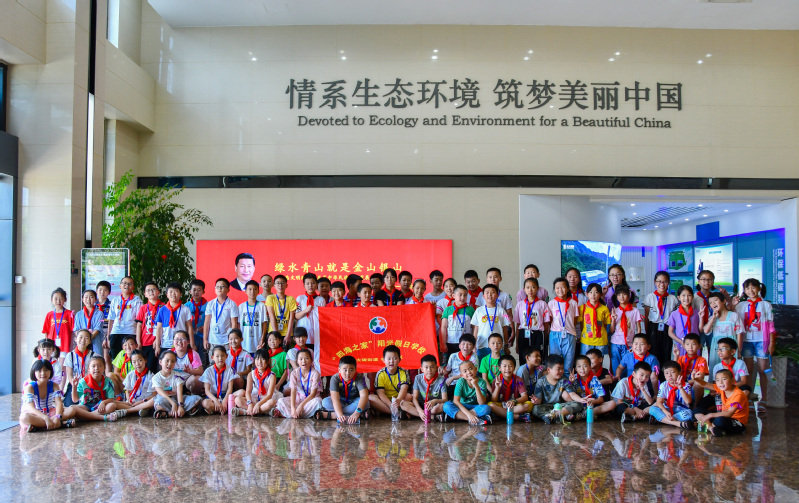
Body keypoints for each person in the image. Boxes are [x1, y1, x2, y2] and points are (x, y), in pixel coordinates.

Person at [735, 278, 775, 411]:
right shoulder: (741, 305)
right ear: (744, 290)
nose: (750, 291)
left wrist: (771, 343)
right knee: (748, 370)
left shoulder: (765, 305)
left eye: (753, 287)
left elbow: (770, 325)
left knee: (763, 370)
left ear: (759, 288)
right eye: (747, 288)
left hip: (762, 341)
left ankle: (764, 398)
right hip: (746, 341)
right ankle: (749, 396)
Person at [20, 360, 75, 432]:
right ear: (34, 372)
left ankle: (38, 426)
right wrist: (46, 418)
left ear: (50, 371)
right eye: (39, 371)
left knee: (71, 410)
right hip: (35, 413)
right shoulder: (30, 387)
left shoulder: (54, 385)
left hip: (50, 411)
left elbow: (59, 403)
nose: (43, 373)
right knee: (24, 417)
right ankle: (60, 424)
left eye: (46, 370)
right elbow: (31, 408)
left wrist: (57, 417)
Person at [692, 369, 750, 436]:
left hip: (737, 422)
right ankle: (711, 428)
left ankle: (708, 425)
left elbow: (729, 413)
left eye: (724, 379)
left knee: (720, 421)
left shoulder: (738, 394)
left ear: (733, 381)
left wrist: (709, 415)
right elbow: (705, 384)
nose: (721, 382)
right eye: (718, 380)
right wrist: (695, 379)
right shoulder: (721, 389)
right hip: (723, 416)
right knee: (697, 410)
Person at [70, 356, 127, 422]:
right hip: (86, 406)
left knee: (112, 406)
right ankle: (98, 416)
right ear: (89, 369)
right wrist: (74, 387)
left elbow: (111, 399)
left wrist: (103, 402)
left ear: (104, 368)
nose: (96, 368)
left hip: (100, 406)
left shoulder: (108, 381)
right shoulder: (83, 382)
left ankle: (86, 416)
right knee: (72, 408)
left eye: (100, 366)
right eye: (93, 366)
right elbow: (75, 400)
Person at [531, 355, 583, 424]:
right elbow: (539, 401)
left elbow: (572, 394)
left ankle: (555, 415)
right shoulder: (541, 382)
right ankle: (560, 415)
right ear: (549, 370)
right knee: (535, 409)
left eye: (562, 368)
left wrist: (581, 400)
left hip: (561, 406)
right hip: (547, 406)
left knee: (578, 404)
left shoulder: (564, 380)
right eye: (558, 369)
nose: (561, 371)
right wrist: (536, 401)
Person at [642, 271, 679, 369]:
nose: (662, 284)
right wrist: (647, 332)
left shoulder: (673, 299)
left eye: (665, 282)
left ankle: (664, 375)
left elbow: (675, 317)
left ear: (668, 283)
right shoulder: (650, 297)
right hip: (653, 328)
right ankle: (654, 374)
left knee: (666, 353)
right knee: (653, 352)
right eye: (659, 281)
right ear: (655, 282)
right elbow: (646, 317)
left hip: (667, 328)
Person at [152, 350, 203, 418]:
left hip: (178, 398)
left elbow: (179, 391)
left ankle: (169, 413)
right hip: (166, 399)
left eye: (173, 361)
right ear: (160, 362)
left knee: (197, 399)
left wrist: (180, 405)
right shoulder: (156, 377)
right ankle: (181, 413)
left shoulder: (177, 375)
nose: (170, 364)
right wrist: (173, 403)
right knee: (158, 402)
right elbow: (161, 393)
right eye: (167, 361)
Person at [274, 348, 323, 418]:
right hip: (298, 399)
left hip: (310, 401)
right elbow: (293, 391)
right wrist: (293, 408)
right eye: (300, 359)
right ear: (297, 361)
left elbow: (313, 394)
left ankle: (290, 414)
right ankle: (297, 413)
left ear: (311, 360)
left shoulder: (315, 373)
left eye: (306, 358)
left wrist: (300, 406)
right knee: (281, 400)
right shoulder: (294, 373)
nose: (303, 361)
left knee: (318, 402)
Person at [320, 355, 369, 423]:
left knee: (366, 403)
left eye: (351, 370)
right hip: (341, 401)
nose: (348, 373)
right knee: (325, 402)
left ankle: (332, 415)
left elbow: (364, 395)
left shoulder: (360, 377)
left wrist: (357, 413)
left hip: (354, 401)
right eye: (345, 370)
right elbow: (335, 399)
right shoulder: (335, 378)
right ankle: (352, 415)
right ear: (339, 370)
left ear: (355, 369)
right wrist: (340, 415)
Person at [232, 348, 280, 417]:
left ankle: (245, 412)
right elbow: (248, 392)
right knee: (237, 400)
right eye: (257, 359)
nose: (259, 362)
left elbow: (269, 395)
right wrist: (250, 403)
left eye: (263, 359)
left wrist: (258, 404)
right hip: (254, 398)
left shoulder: (272, 376)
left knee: (271, 402)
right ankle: (265, 412)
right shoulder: (251, 374)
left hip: (266, 399)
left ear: (268, 361)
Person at [441, 360, 492, 425]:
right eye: (465, 371)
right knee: (446, 406)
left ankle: (458, 417)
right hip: (461, 406)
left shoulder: (482, 382)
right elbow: (456, 401)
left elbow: (481, 403)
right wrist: (469, 415)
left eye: (470, 369)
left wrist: (476, 385)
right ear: (462, 375)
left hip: (474, 407)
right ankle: (475, 420)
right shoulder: (460, 381)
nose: (469, 372)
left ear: (476, 369)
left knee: (486, 408)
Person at [704, 291, 743, 373]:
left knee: (732, 370)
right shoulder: (712, 318)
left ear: (724, 301)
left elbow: (739, 333)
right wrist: (713, 318)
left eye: (715, 300)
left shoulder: (734, 315)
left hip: (730, 347)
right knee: (717, 370)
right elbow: (706, 331)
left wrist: (738, 351)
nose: (713, 303)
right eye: (710, 302)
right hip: (717, 348)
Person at [401, 354, 448, 421]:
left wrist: (435, 401)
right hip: (421, 404)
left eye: (432, 367)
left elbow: (445, 399)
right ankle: (432, 417)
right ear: (422, 369)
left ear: (436, 368)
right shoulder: (418, 378)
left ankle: (415, 414)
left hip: (434, 406)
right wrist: (420, 411)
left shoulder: (441, 380)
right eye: (426, 367)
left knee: (443, 406)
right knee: (403, 404)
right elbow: (415, 398)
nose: (429, 370)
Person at [471, 284, 511, 360]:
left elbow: (505, 329)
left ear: (497, 295)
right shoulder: (478, 311)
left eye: (493, 292)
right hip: (482, 345)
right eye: (487, 292)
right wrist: (474, 345)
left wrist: (505, 345)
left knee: (498, 365)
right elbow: (476, 329)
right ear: (483, 296)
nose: (490, 295)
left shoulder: (502, 311)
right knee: (482, 366)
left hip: (498, 346)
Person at [107, 277, 142, 365]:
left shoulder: (137, 300)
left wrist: (138, 339)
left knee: (131, 358)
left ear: (133, 287)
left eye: (130, 284)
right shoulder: (115, 300)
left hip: (130, 332)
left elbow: (139, 321)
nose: (127, 285)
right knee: (116, 359)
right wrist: (108, 336)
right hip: (116, 332)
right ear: (120, 286)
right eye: (125, 283)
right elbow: (111, 319)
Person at [369, 345, 411, 416]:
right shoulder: (380, 374)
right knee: (370, 398)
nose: (391, 361)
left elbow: (404, 389)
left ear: (399, 360)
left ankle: (386, 411)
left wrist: (398, 400)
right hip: (385, 401)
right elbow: (380, 393)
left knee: (409, 396)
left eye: (395, 358)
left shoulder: (403, 372)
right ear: (383, 360)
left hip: (399, 399)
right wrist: (390, 405)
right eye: (388, 359)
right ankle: (397, 413)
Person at [547, 278, 580, 370]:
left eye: (563, 287)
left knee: (568, 362)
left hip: (569, 334)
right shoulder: (551, 303)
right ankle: (555, 379)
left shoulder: (573, 303)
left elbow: (575, 320)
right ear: (554, 289)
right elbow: (550, 320)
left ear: (568, 288)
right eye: (557, 288)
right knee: (555, 362)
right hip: (555, 334)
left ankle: (566, 379)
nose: (560, 290)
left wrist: (567, 328)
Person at [154, 282, 194, 356]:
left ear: (180, 294)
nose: (173, 294)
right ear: (167, 294)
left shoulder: (185, 309)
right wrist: (157, 346)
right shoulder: (162, 310)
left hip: (181, 343)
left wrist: (192, 343)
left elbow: (189, 327)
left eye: (176, 291)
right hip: (166, 343)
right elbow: (159, 328)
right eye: (171, 292)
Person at [650, 361, 694, 429]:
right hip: (667, 409)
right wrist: (666, 412)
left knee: (689, 414)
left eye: (672, 372)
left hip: (681, 410)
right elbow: (659, 402)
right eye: (666, 373)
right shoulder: (663, 385)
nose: (669, 375)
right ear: (664, 375)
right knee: (652, 409)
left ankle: (662, 420)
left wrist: (681, 388)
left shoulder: (686, 385)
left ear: (679, 373)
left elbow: (688, 401)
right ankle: (678, 423)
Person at [514, 277, 550, 359]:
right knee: (523, 357)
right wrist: (517, 343)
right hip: (523, 333)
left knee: (538, 357)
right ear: (524, 289)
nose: (530, 290)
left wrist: (544, 337)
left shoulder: (542, 304)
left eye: (533, 287)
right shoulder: (520, 305)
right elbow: (518, 324)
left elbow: (546, 323)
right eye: (527, 287)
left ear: (537, 288)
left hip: (538, 334)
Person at [609, 285, 642, 372]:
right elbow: (611, 330)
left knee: (628, 366)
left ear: (629, 295)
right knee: (616, 367)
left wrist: (636, 343)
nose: (622, 297)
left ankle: (627, 381)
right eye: (619, 295)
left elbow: (639, 328)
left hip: (629, 343)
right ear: (616, 297)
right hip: (616, 343)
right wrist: (613, 319)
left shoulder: (635, 311)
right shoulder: (615, 310)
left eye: (624, 294)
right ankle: (617, 380)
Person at [488, 355, 531, 422]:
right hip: (501, 404)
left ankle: (501, 414)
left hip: (514, 405)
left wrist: (514, 401)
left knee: (527, 405)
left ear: (514, 368)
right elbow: (494, 400)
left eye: (510, 366)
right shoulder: (496, 380)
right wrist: (497, 388)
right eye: (504, 366)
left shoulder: (518, 380)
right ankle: (516, 417)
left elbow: (525, 397)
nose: (507, 369)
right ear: (499, 368)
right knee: (490, 405)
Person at [117, 349, 157, 416]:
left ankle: (131, 410)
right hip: (132, 402)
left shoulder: (151, 376)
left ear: (145, 360)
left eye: (140, 360)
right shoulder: (130, 375)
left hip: (144, 402)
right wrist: (129, 400)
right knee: (113, 404)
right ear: (131, 363)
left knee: (154, 400)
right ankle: (137, 410)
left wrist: (141, 402)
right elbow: (128, 391)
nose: (137, 364)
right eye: (134, 362)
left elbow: (154, 395)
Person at [204, 278, 239, 350]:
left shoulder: (232, 304)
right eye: (217, 286)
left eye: (222, 286)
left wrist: (232, 340)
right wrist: (205, 339)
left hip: (226, 341)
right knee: (213, 357)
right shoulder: (210, 304)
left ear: (228, 290)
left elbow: (234, 324)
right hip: (212, 340)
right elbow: (207, 322)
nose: (219, 288)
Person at [440, 285, 475, 358]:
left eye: (465, 295)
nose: (462, 297)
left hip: (467, 344)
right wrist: (443, 343)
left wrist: (474, 342)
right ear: (454, 296)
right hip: (451, 342)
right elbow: (443, 327)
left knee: (466, 362)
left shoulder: (470, 310)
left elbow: (474, 327)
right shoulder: (448, 309)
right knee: (452, 361)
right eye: (460, 295)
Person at [133, 281, 161, 373]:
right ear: (145, 294)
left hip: (159, 342)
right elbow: (139, 325)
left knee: (157, 367)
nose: (151, 292)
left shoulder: (164, 307)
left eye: (153, 289)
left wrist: (157, 340)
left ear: (158, 292)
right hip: (145, 342)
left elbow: (165, 327)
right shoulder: (143, 308)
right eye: (148, 290)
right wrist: (138, 342)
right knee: (146, 367)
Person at [578, 282, 611, 358]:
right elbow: (581, 324)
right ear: (587, 294)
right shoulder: (582, 308)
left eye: (596, 292)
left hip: (600, 340)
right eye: (590, 292)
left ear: (600, 294)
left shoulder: (604, 309)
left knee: (599, 360)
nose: (593, 295)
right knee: (586, 360)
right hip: (586, 340)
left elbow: (605, 325)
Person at [668, 285, 701, 358]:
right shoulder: (674, 314)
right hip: (681, 345)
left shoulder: (697, 313)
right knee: (681, 362)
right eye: (683, 295)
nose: (686, 298)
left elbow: (700, 330)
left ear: (692, 297)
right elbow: (670, 332)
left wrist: (701, 318)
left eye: (689, 295)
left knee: (695, 362)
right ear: (678, 297)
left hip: (694, 345)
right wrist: (681, 342)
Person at [201, 345, 236, 415]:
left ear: (226, 356)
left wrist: (225, 400)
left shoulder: (230, 370)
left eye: (222, 356)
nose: (220, 358)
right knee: (205, 403)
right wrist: (215, 400)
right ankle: (225, 408)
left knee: (241, 392)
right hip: (213, 396)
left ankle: (217, 409)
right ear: (212, 358)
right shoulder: (208, 371)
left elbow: (230, 388)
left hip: (225, 395)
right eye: (217, 356)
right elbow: (207, 390)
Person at [295, 273, 326, 350]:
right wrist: (305, 311)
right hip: (302, 333)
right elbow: (296, 316)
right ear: (304, 285)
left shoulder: (321, 300)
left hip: (316, 333)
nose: (310, 286)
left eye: (313, 283)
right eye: (307, 283)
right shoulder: (300, 298)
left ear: (317, 285)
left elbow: (323, 318)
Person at [63, 329, 94, 406]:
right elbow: (70, 375)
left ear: (90, 341)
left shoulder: (94, 356)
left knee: (89, 405)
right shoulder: (70, 355)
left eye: (86, 338)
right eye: (80, 337)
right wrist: (75, 385)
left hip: (89, 384)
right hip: (74, 384)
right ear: (75, 339)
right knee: (70, 405)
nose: (83, 340)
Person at [239, 280, 268, 355]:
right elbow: (238, 324)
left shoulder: (261, 306)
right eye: (250, 289)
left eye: (255, 289)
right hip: (244, 341)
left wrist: (262, 338)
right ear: (245, 291)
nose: (252, 291)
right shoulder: (241, 306)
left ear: (258, 291)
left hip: (257, 340)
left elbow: (264, 323)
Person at [72, 289, 104, 357]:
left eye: (91, 297)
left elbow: (98, 328)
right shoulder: (78, 314)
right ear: (83, 300)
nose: (88, 299)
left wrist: (87, 339)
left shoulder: (100, 313)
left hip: (96, 342)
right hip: (81, 343)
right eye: (86, 297)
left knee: (96, 359)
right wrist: (82, 340)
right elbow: (76, 329)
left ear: (95, 299)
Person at [42, 287, 74, 355]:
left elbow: (73, 332)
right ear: (52, 300)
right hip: (51, 346)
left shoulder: (69, 314)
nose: (58, 301)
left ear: (65, 299)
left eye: (61, 298)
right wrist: (46, 345)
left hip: (65, 346)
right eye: (56, 299)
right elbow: (46, 331)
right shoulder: (49, 315)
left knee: (63, 361)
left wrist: (71, 345)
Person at [172, 330, 204, 394]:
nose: (179, 342)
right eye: (177, 339)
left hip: (187, 382)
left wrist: (190, 371)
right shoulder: (169, 353)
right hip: (173, 381)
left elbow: (200, 371)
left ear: (188, 341)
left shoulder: (193, 354)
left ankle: (192, 394)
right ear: (173, 342)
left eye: (182, 339)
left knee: (197, 379)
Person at [265, 274, 296, 340]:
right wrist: (276, 335)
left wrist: (288, 335)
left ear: (286, 285)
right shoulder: (270, 298)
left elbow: (292, 318)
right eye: (278, 283)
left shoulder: (291, 299)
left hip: (287, 334)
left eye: (282, 283)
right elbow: (271, 316)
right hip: (273, 332)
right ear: (274, 285)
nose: (280, 285)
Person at [187, 279, 209, 365]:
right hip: (190, 338)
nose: (196, 292)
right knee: (191, 361)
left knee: (203, 361)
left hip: (204, 337)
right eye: (194, 290)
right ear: (190, 291)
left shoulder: (208, 305)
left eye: (199, 290)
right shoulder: (186, 306)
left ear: (203, 291)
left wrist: (206, 328)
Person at [226, 329, 254, 393]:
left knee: (237, 379)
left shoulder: (246, 354)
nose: (233, 341)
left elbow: (249, 370)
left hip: (241, 379)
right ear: (228, 340)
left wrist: (240, 373)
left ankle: (238, 393)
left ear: (241, 339)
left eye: (236, 338)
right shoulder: (226, 354)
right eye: (231, 339)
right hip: (229, 377)